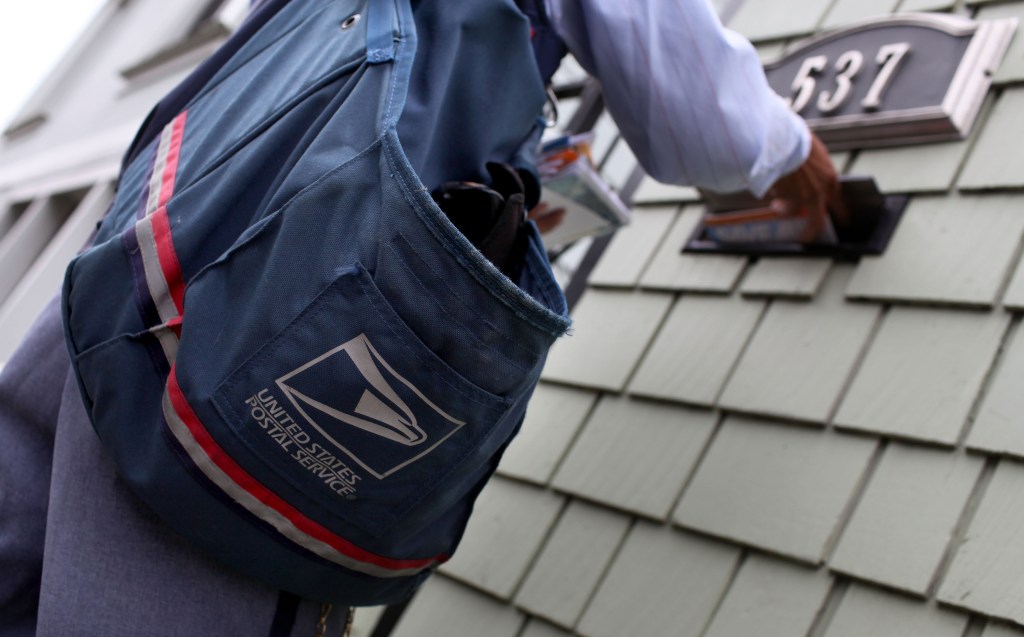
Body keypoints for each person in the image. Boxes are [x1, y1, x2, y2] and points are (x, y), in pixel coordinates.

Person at [0, 0, 838, 635]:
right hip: (300, 292)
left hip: (166, 217)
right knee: (222, 544)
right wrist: (792, 153)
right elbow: (697, 115)